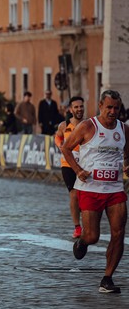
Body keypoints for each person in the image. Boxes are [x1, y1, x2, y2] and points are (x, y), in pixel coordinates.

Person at [61, 90, 128, 294]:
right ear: (100, 106)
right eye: (109, 107)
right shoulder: (88, 126)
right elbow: (66, 148)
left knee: (119, 233)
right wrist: (78, 170)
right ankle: (83, 241)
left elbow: (127, 154)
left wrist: (127, 164)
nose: (112, 112)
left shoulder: (124, 129)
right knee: (93, 236)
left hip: (115, 189)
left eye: (116, 108)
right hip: (90, 189)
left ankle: (107, 278)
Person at [54, 96, 85, 238]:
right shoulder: (64, 125)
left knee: (84, 196)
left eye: (81, 106)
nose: (79, 109)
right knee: (73, 195)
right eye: (76, 107)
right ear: (71, 109)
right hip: (67, 164)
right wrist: (60, 145)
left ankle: (88, 223)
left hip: (84, 164)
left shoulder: (88, 124)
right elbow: (58, 136)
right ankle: (77, 227)